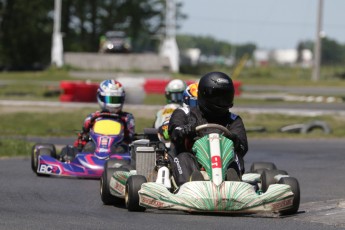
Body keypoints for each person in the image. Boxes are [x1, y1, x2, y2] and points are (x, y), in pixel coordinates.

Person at [168, 71, 248, 187]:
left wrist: (233, 138)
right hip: (195, 164)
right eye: (217, 96)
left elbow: (242, 146)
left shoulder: (233, 119)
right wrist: (185, 131)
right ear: (205, 94)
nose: (221, 100)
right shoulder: (185, 113)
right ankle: (191, 183)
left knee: (235, 156)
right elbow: (175, 132)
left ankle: (233, 182)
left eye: (225, 96)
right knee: (183, 157)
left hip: (223, 165)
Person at [59, 80, 135, 162]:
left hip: (117, 146)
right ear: (101, 98)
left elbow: (130, 139)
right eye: (111, 99)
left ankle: (115, 164)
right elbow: (83, 138)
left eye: (117, 100)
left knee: (123, 150)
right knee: (86, 147)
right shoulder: (92, 117)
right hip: (95, 145)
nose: (114, 104)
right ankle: (82, 162)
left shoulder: (127, 118)